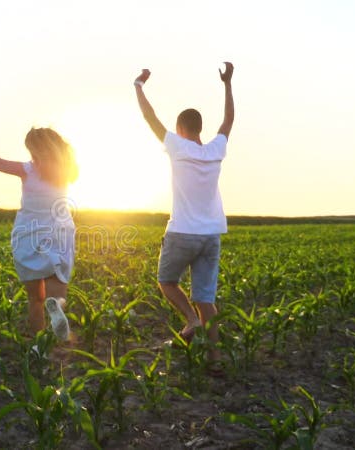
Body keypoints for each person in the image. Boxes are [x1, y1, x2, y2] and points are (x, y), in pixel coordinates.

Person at [133, 63, 234, 369]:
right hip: (211, 235)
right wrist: (228, 84)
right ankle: (215, 359)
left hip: (182, 233)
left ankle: (191, 321)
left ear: (180, 129)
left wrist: (138, 85)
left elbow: (149, 117)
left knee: (166, 281)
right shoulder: (216, 149)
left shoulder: (176, 146)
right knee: (206, 299)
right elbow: (229, 120)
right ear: (199, 128)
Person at [0, 127, 78, 340]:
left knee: (35, 298)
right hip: (59, 234)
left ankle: (40, 345)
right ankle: (57, 311)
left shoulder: (27, 169)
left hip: (29, 234)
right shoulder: (67, 170)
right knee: (57, 290)